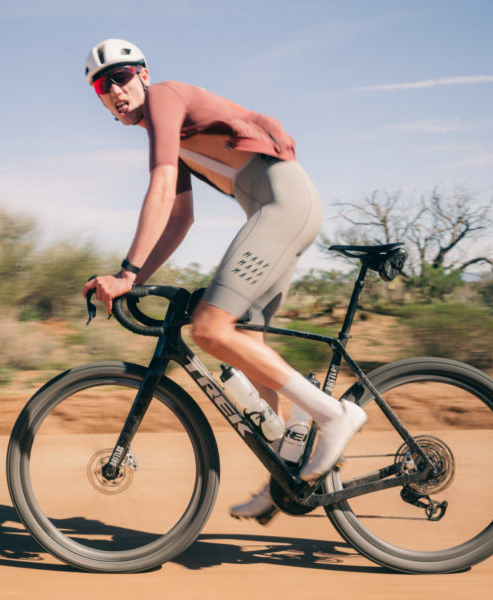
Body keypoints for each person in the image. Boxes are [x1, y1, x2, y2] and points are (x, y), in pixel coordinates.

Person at [82, 39, 366, 524]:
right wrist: (136, 279)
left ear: (143, 75)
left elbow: (160, 187)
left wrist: (126, 273)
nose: (114, 91)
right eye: (100, 87)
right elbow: (180, 219)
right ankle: (284, 476)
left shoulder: (165, 97)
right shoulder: (167, 132)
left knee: (210, 329)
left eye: (121, 77)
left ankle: (333, 416)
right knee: (246, 346)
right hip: (276, 209)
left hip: (283, 205)